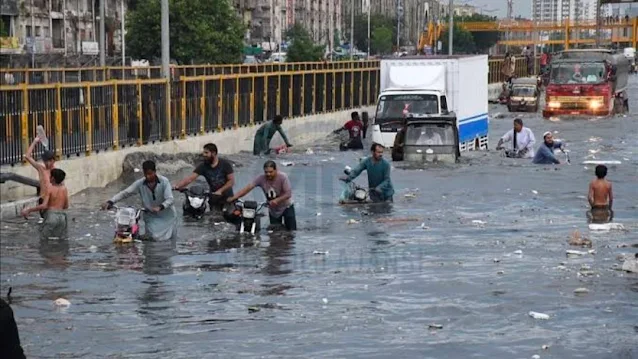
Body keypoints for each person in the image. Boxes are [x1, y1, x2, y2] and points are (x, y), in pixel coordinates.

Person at [101, 160, 178, 241]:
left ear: (155, 172)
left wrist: (160, 207)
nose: (148, 176)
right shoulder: (140, 183)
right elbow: (125, 193)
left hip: (168, 216)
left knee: (170, 240)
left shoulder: (164, 181)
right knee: (153, 238)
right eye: (146, 174)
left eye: (150, 174)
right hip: (151, 215)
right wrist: (110, 201)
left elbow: (170, 199)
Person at [227, 160, 296, 231]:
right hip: (273, 209)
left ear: (276, 170)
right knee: (274, 232)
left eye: (271, 172)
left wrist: (276, 200)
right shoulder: (261, 178)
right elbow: (248, 188)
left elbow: (288, 194)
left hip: (286, 207)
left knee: (292, 231)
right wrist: (234, 197)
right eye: (266, 172)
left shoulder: (282, 177)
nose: (268, 174)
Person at [173, 143, 234, 210]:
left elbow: (231, 181)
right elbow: (190, 179)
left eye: (206, 153)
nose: (204, 155)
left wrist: (220, 191)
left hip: (228, 198)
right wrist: (177, 186)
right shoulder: (203, 166)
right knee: (213, 218)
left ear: (213, 153)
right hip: (213, 198)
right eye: (203, 152)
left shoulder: (225, 164)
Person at [21, 168, 69, 240]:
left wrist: (29, 210)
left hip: (51, 216)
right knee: (60, 240)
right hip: (62, 218)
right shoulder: (64, 189)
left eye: (50, 176)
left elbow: (44, 205)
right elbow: (66, 206)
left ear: (52, 178)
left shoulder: (49, 189)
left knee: (44, 240)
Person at [24, 137, 56, 218]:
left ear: (53, 160)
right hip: (43, 199)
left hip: (53, 201)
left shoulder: (56, 172)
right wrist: (34, 141)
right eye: (44, 161)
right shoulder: (41, 169)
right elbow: (27, 156)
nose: (46, 163)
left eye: (48, 161)